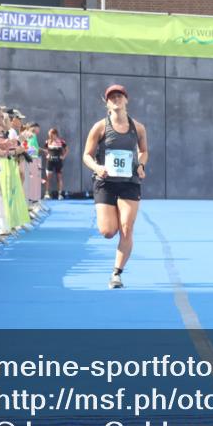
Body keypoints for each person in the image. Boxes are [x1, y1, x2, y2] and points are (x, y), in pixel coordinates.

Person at [83, 84, 148, 289]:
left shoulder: (138, 127)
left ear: (126, 100)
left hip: (129, 182)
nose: (116, 99)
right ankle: (112, 223)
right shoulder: (100, 127)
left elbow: (144, 151)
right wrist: (97, 167)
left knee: (127, 228)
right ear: (107, 102)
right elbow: (86, 155)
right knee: (108, 231)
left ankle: (116, 273)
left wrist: (141, 165)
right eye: (112, 97)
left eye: (119, 96)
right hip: (106, 183)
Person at [44, 127, 68, 199]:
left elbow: (67, 149)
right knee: (48, 178)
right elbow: (45, 150)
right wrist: (47, 155)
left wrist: (63, 156)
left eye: (51, 135)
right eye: (49, 135)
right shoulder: (47, 141)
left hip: (58, 162)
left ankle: (60, 194)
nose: (50, 136)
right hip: (50, 162)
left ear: (55, 134)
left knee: (59, 177)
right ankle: (47, 194)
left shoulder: (61, 141)